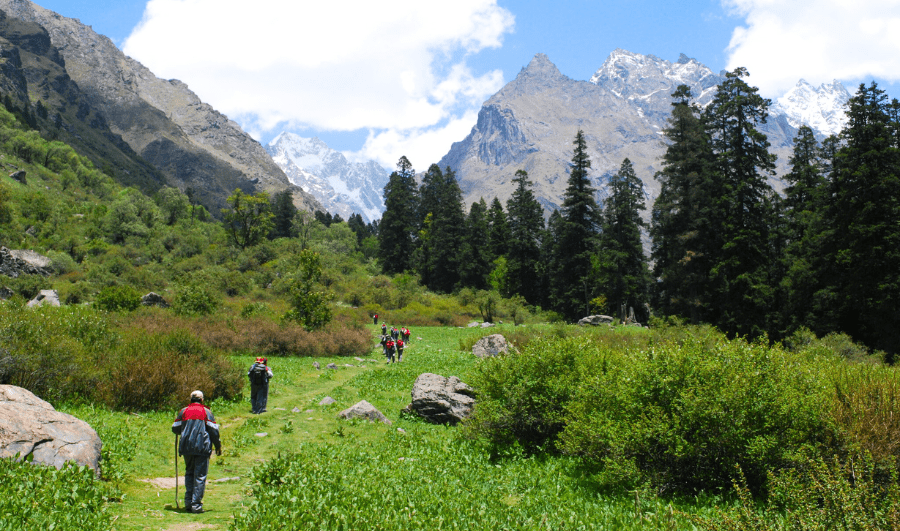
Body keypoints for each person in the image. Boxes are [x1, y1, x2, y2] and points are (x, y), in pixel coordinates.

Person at [172, 390, 221, 514]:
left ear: (190, 399)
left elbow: (175, 428)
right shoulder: (206, 412)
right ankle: (196, 505)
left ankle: (188, 503)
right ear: (202, 400)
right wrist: (218, 446)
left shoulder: (183, 411)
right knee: (199, 476)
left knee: (189, 473)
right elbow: (214, 431)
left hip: (186, 447)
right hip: (202, 447)